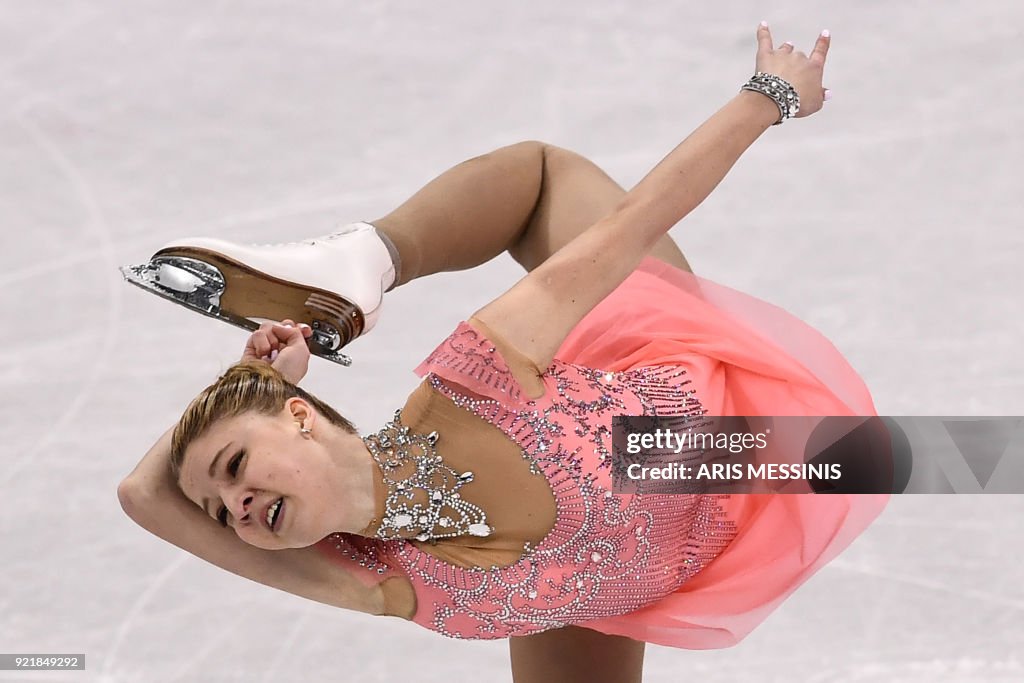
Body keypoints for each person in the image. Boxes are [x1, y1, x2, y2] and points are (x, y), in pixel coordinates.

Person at [118, 23, 886, 683]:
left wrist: (770, 95)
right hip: (587, 591)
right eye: (223, 512)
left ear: (301, 418)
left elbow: (631, 222)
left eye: (232, 470)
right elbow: (143, 497)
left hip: (668, 437)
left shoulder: (469, 391)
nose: (237, 509)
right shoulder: (377, 576)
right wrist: (248, 380)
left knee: (928, 458)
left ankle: (366, 256)